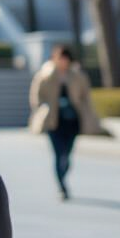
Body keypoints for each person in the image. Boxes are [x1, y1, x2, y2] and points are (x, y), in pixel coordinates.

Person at [29, 44, 107, 200]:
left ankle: (63, 176)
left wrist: (88, 114)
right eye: (59, 58)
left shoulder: (77, 75)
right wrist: (41, 110)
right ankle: (62, 187)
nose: (62, 62)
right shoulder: (46, 74)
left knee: (67, 154)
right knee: (59, 154)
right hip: (53, 121)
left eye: (65, 59)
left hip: (72, 121)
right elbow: (36, 95)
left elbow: (85, 96)